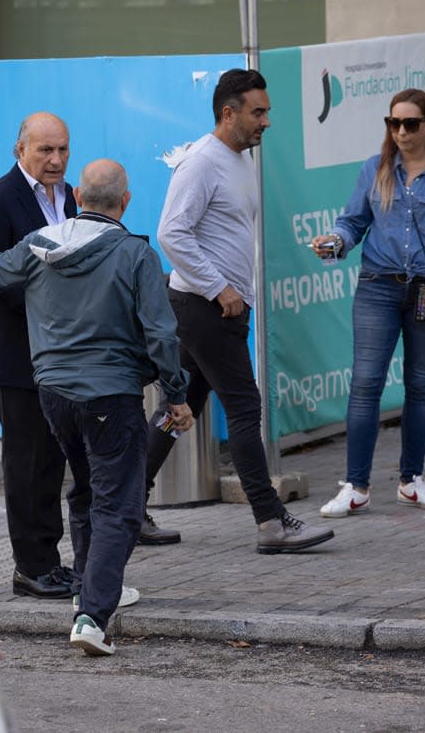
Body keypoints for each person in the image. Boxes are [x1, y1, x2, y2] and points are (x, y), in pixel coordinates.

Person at [0, 159, 192, 656]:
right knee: (120, 505)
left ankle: (90, 590)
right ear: (124, 203)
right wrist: (176, 393)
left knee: (86, 490)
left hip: (52, 394)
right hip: (111, 394)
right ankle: (92, 615)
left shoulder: (41, 244)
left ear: (77, 197)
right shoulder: (134, 253)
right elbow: (161, 332)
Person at [143, 68, 334, 554]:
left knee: (177, 408)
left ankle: (123, 505)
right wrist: (219, 287)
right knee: (246, 410)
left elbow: (221, 233)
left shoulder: (240, 159)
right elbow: (171, 233)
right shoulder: (202, 163)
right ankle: (271, 522)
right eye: (258, 112)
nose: (266, 121)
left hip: (212, 309)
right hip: (205, 309)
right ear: (228, 114)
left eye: (266, 111)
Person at [313, 88, 425, 518]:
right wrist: (334, 244)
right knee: (366, 383)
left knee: (421, 385)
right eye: (393, 123)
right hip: (378, 287)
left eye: (409, 123)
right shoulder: (376, 169)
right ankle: (356, 486)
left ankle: (412, 480)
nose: (400, 131)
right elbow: (353, 222)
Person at [0, 111, 76, 599]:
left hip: (58, 350)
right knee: (26, 460)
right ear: (21, 150)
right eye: (45, 151)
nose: (55, 161)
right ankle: (29, 567)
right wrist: (48, 299)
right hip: (15, 352)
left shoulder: (69, 196)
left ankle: (50, 560)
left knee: (52, 459)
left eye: (62, 150)